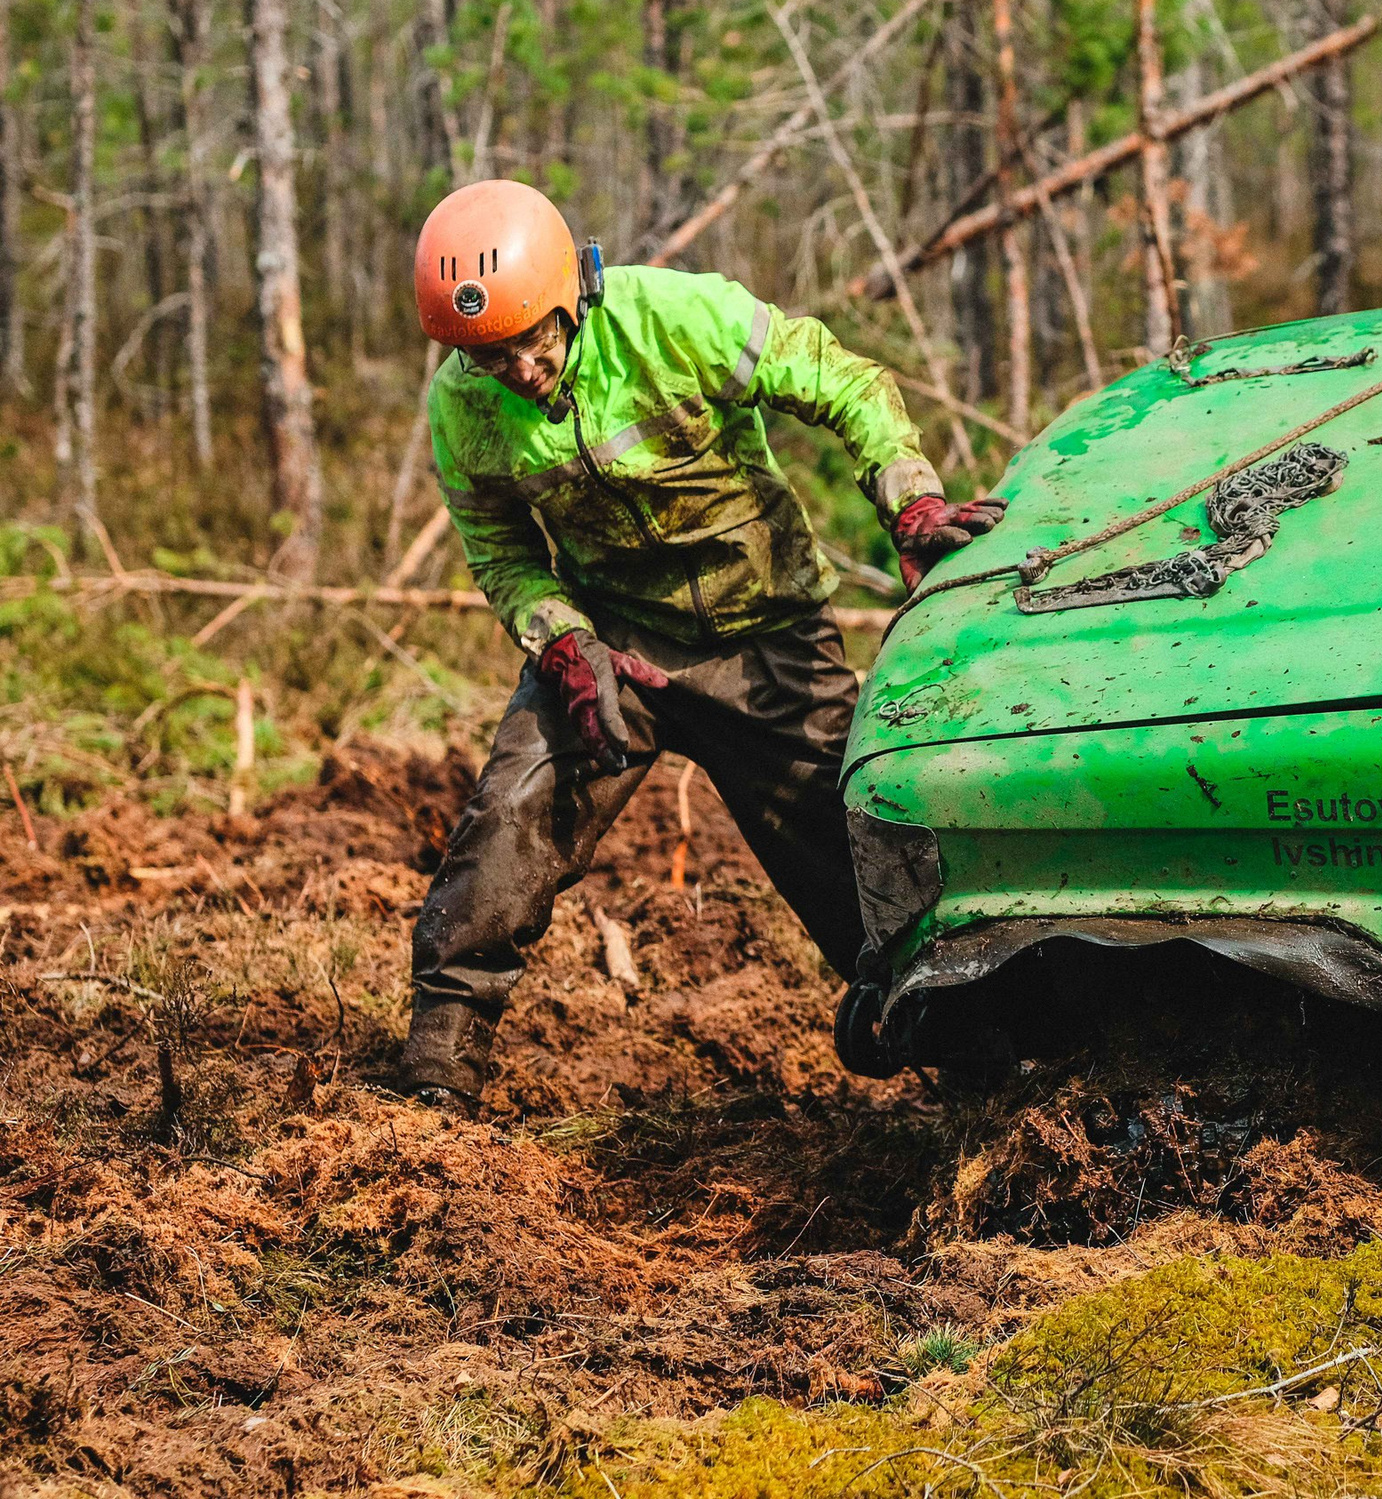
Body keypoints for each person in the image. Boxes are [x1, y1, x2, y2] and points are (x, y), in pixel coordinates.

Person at [394, 179, 1004, 1109]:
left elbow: (838, 379)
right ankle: (435, 1079)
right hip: (616, 648)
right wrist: (561, 643)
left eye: (529, 341)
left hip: (765, 633)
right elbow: (503, 555)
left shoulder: (674, 318)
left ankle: (977, 1059)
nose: (516, 370)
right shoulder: (461, 407)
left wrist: (908, 495)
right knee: (506, 822)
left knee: (862, 858)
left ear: (569, 295)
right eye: (487, 356)